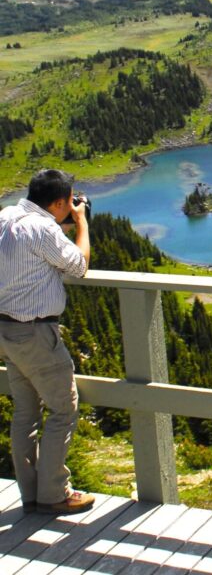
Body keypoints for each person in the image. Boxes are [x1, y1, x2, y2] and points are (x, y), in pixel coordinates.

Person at [0, 169, 95, 515]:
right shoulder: (43, 229)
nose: (71, 207)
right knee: (62, 410)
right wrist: (81, 224)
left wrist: (61, 225)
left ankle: (31, 492)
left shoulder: (7, 216)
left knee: (25, 412)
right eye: (68, 202)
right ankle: (54, 493)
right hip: (37, 334)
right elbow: (78, 266)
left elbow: (28, 252)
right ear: (58, 202)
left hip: (7, 332)